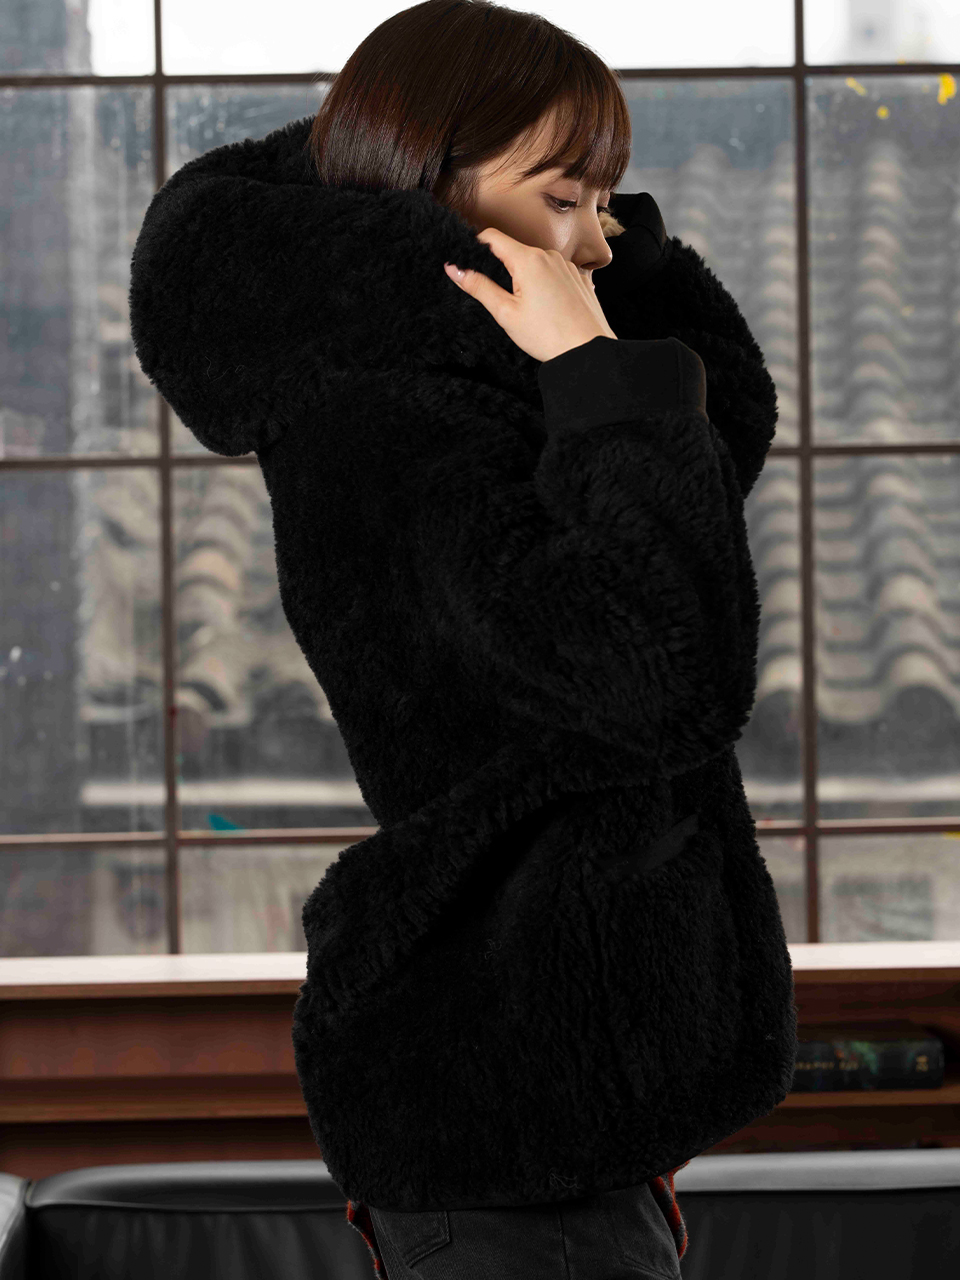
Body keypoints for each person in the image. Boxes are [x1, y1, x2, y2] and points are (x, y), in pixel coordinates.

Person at [128, 2, 799, 1277]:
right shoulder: (388, 423)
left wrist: (608, 347)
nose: (597, 243)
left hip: (543, 1104)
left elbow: (682, 528)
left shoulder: (462, 395)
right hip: (510, 1108)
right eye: (564, 198)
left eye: (607, 201)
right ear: (435, 193)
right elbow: (667, 671)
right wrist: (599, 367)